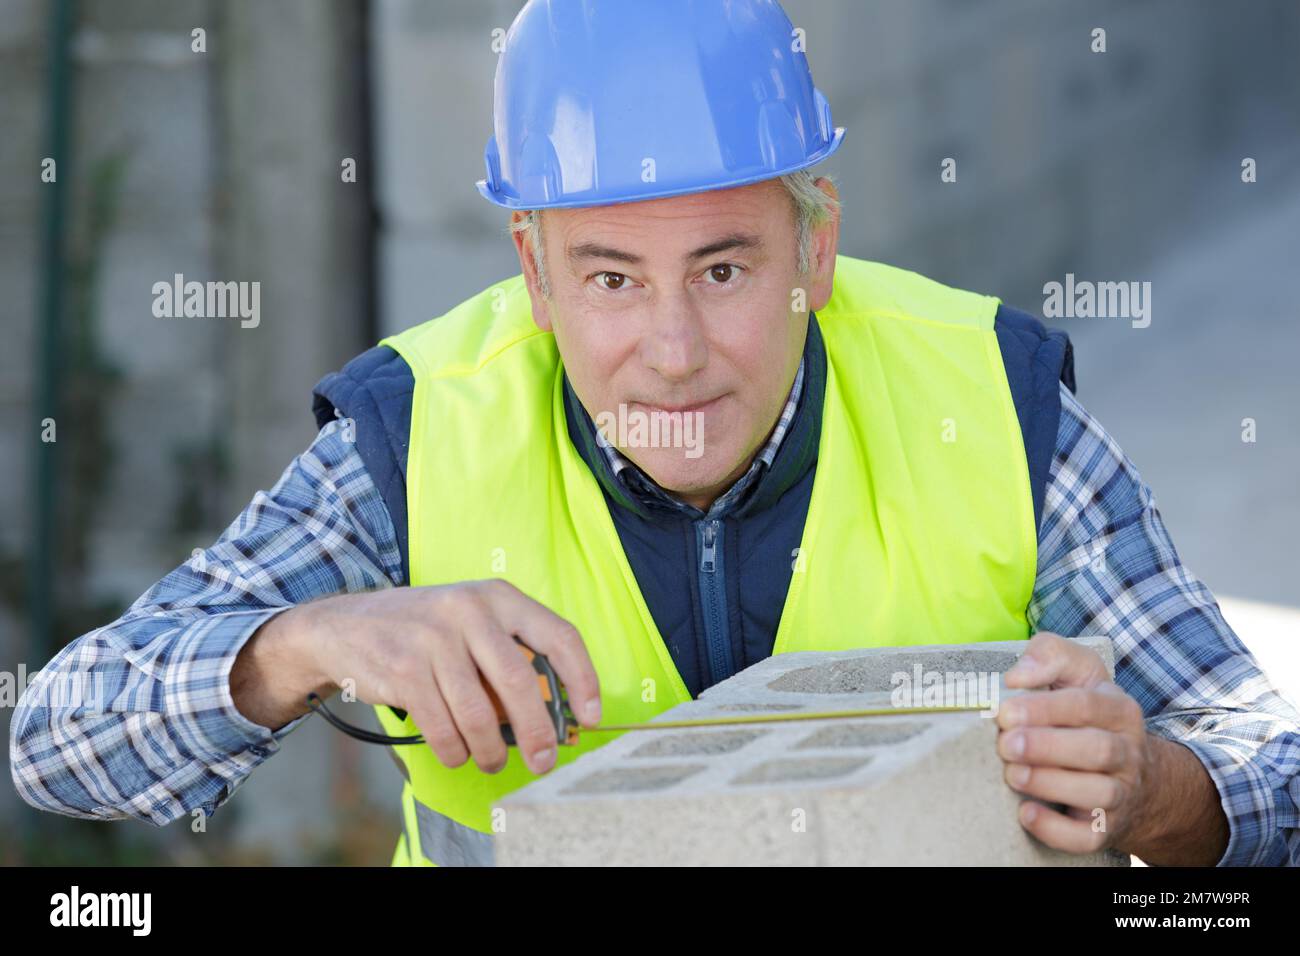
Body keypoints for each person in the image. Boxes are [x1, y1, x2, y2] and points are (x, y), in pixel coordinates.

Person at [12, 0, 1299, 868]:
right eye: (612, 276)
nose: (672, 351)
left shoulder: (996, 409)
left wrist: (1155, 787)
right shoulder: (413, 435)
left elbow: (1270, 774)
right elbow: (57, 740)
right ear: (532, 265)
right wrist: (299, 642)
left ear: (817, 242)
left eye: (727, 270)